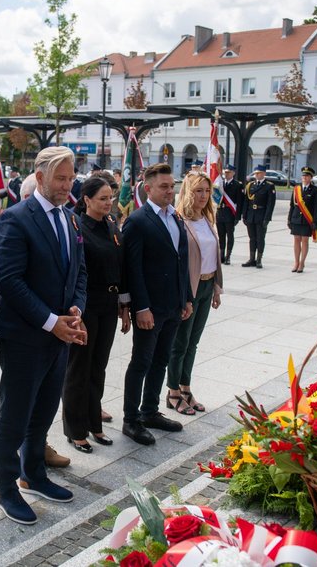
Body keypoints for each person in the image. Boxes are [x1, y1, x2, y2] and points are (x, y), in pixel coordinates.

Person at [0, 146, 87, 525]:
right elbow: (10, 282)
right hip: (25, 338)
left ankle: (32, 474)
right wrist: (51, 321)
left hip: (59, 337)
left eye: (71, 178)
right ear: (41, 177)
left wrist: (76, 309)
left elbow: (79, 271)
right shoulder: (15, 219)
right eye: (61, 179)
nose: (67, 185)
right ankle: (5, 488)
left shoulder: (71, 219)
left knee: (44, 411)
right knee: (14, 417)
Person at [121, 163, 192, 446]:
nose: (170, 191)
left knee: (161, 360)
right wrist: (141, 307)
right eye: (164, 186)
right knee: (142, 361)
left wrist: (186, 297)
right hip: (150, 308)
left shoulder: (175, 217)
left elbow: (181, 260)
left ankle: (149, 411)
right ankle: (131, 419)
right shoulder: (138, 221)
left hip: (173, 305)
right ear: (148, 188)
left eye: (172, 186)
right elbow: (132, 268)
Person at [61, 176, 130, 453]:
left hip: (108, 304)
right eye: (102, 198)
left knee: (98, 366)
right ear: (87, 200)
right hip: (86, 304)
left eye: (110, 197)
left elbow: (121, 265)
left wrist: (124, 304)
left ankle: (94, 423)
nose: (108, 203)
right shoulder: (77, 227)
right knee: (79, 367)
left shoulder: (111, 224)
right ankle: (75, 430)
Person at [166, 172, 223, 416]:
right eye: (198, 190)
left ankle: (185, 387)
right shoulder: (180, 221)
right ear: (188, 192)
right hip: (190, 288)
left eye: (207, 191)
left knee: (193, 342)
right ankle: (173, 392)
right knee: (180, 342)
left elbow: (213, 256)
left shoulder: (207, 218)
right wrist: (184, 296)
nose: (204, 195)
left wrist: (217, 288)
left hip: (208, 286)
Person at [240, 164, 276, 269]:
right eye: (256, 173)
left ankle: (259, 259)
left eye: (259, 173)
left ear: (264, 173)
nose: (257, 175)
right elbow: (246, 201)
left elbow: (270, 204)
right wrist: (244, 215)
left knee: (260, 238)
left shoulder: (269, 186)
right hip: (251, 215)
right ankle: (251, 259)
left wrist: (267, 218)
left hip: (261, 214)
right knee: (252, 238)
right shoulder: (250, 185)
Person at [287, 166, 317, 273]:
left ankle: (302, 263)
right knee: (296, 239)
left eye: (307, 176)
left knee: (305, 240)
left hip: (307, 219)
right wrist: (289, 219)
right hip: (296, 218)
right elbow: (292, 205)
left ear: (311, 177)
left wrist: (315, 222)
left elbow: (316, 208)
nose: (304, 178)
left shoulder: (314, 190)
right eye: (303, 176)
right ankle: (296, 262)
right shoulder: (297, 188)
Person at [215, 165, 244, 264]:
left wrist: (237, 217)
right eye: (225, 172)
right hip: (220, 213)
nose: (226, 174)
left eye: (229, 172)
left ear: (233, 173)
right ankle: (221, 255)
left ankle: (228, 256)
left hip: (230, 214)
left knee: (230, 236)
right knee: (221, 235)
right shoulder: (220, 184)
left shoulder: (237, 185)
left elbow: (239, 202)